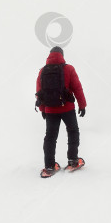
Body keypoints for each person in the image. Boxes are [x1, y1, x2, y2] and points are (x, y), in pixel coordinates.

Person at [35, 46, 87, 177]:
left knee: (50, 137)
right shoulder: (69, 69)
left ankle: (49, 166)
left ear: (50, 55)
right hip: (67, 108)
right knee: (73, 131)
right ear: (62, 55)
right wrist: (82, 105)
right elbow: (77, 88)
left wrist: (43, 109)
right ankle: (73, 161)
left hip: (50, 110)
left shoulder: (42, 71)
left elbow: (39, 93)